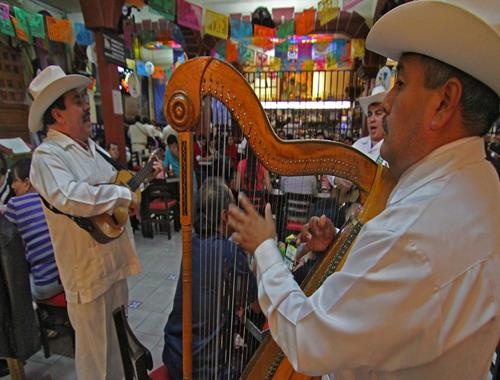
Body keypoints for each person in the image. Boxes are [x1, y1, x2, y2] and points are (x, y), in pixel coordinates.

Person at [228, 1, 500, 379]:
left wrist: (264, 248)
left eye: (400, 85)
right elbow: (417, 294)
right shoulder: (484, 183)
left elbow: (308, 340)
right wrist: (342, 243)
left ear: (444, 103)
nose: (386, 103)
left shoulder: (411, 235)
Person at [27, 66, 159, 379]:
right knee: (97, 361)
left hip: (114, 265)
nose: (88, 106)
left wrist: (138, 185)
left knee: (120, 352)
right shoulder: (47, 157)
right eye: (77, 100)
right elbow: (72, 196)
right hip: (87, 276)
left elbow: (114, 189)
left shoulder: (93, 148)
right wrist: (121, 196)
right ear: (57, 114)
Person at [162, 177, 256, 379]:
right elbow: (255, 305)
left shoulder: (191, 242)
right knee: (256, 353)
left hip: (174, 354)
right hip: (206, 371)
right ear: (225, 215)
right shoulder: (229, 252)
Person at [4, 158, 63, 300]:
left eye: (15, 181)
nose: (12, 186)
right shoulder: (50, 198)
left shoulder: (15, 204)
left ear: (27, 182)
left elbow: (6, 241)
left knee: (9, 287)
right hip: (67, 278)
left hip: (45, 284)